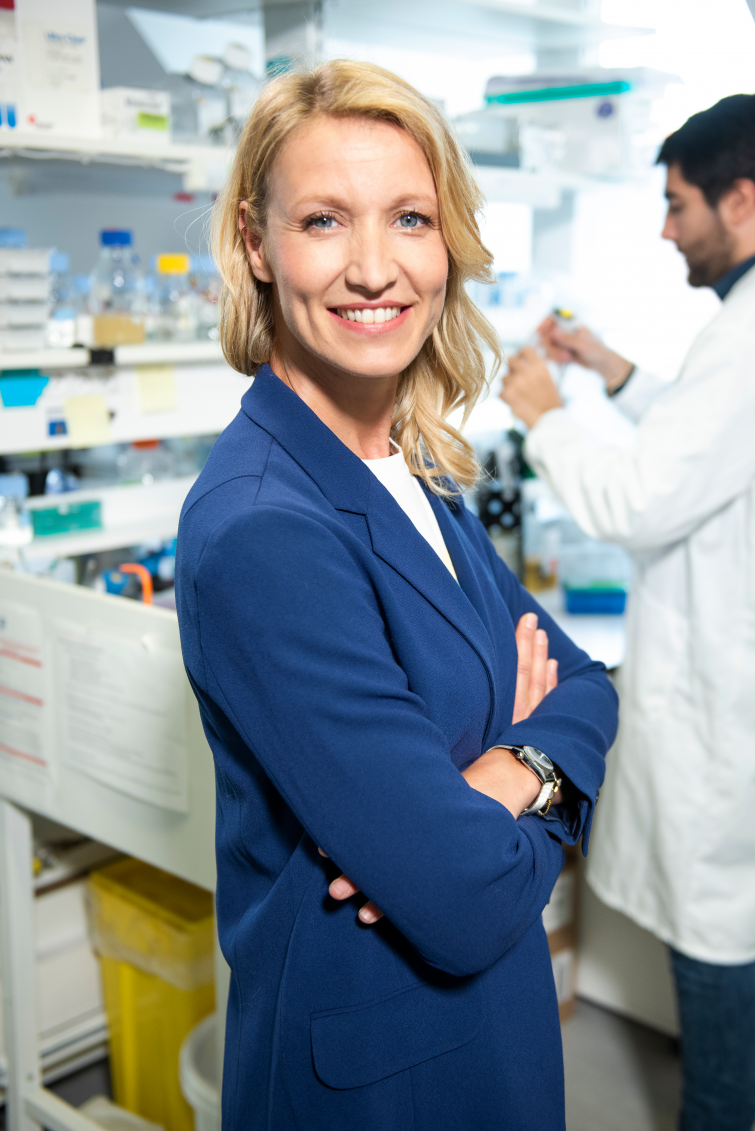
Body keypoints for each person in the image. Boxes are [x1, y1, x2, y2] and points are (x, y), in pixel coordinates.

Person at [175, 60, 617, 1131]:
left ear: (447, 241)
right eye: (323, 220)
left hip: (493, 1034)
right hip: (378, 1081)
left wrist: (506, 773)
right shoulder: (263, 529)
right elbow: (460, 900)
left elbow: (590, 684)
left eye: (409, 218)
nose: (374, 268)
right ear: (257, 244)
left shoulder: (409, 464)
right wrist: (529, 775)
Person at [502, 93, 755, 1131]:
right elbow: (710, 438)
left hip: (724, 726)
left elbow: (642, 497)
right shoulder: (735, 335)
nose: (662, 229)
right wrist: (609, 371)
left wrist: (543, 418)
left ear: (741, 201)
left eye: (676, 204)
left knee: (721, 987)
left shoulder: (743, 336)